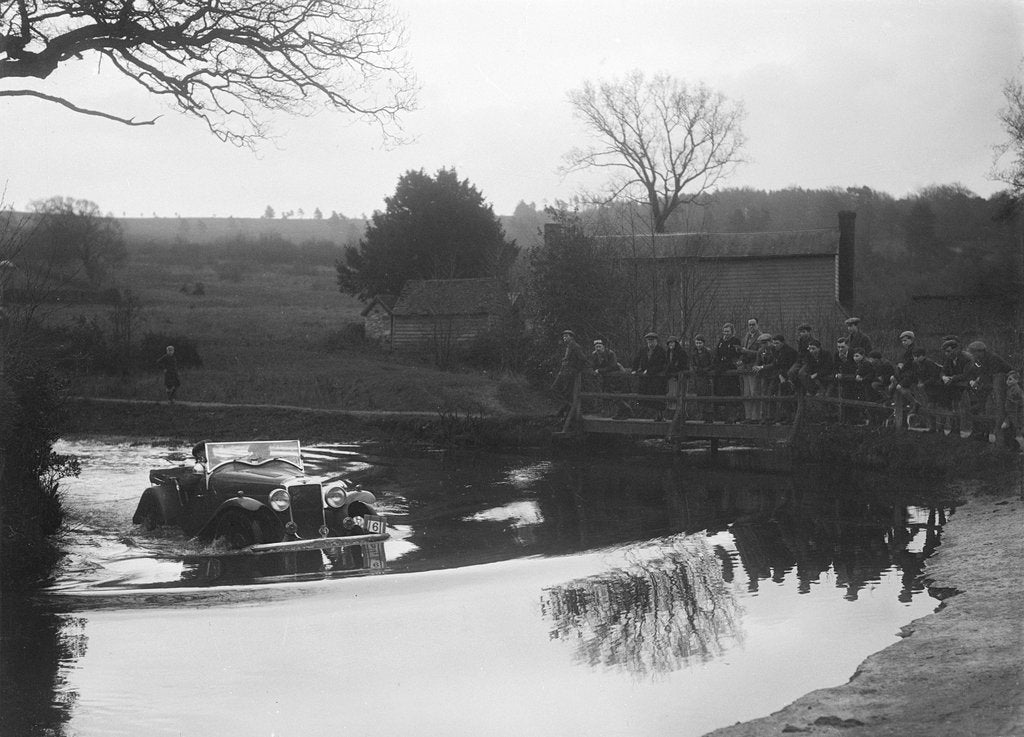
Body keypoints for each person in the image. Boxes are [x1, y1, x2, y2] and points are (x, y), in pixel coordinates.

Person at [965, 341, 1013, 442]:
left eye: (973, 353)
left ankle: (1004, 439)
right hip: (990, 386)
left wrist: (979, 381)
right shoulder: (978, 360)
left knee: (1002, 410)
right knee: (981, 407)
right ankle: (982, 434)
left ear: (980, 352)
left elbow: (991, 374)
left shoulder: (992, 358)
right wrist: (972, 380)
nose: (972, 355)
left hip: (1004, 384)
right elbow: (973, 372)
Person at [939, 338, 978, 436]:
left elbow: (966, 375)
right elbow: (943, 370)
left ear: (956, 349)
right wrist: (944, 377)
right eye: (945, 352)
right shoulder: (949, 358)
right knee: (951, 405)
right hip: (954, 385)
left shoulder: (967, 358)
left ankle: (967, 430)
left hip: (969, 386)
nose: (946, 354)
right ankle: (953, 429)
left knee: (963, 407)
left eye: (948, 351)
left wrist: (951, 378)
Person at [552, 329, 588, 421]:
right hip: (564, 372)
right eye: (563, 336)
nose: (564, 338)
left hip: (570, 373)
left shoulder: (575, 346)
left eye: (566, 336)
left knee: (566, 392)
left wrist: (576, 370)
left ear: (571, 337)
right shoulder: (568, 346)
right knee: (555, 389)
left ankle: (566, 412)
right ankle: (566, 408)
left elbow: (583, 359)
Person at [632, 332, 668, 420]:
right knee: (645, 397)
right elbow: (636, 359)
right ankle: (647, 415)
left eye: (652, 341)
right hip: (646, 378)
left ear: (656, 341)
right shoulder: (643, 350)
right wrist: (634, 369)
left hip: (657, 378)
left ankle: (660, 416)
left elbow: (662, 364)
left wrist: (650, 371)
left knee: (658, 397)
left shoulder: (661, 351)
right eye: (649, 341)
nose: (650, 343)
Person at [713, 323, 743, 422]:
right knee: (722, 393)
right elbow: (717, 353)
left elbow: (735, 355)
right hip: (721, 371)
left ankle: (733, 416)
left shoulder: (735, 341)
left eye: (728, 331)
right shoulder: (721, 342)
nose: (726, 333)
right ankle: (724, 416)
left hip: (730, 370)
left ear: (732, 331)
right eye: (724, 331)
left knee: (732, 393)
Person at [739, 318, 763, 422]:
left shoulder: (760, 337)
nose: (751, 327)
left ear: (757, 325)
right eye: (749, 325)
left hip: (754, 367)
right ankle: (748, 416)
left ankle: (756, 417)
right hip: (745, 367)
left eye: (753, 324)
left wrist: (747, 351)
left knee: (754, 392)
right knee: (746, 393)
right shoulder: (746, 337)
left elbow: (760, 353)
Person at [690, 334, 715, 422]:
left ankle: (709, 417)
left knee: (708, 396)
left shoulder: (708, 352)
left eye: (700, 343)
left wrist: (705, 370)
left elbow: (712, 363)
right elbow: (692, 364)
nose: (698, 345)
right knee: (699, 396)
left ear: (703, 343)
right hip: (698, 378)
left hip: (707, 377)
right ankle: (702, 415)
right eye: (697, 343)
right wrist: (697, 369)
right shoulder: (694, 353)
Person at [664, 336, 689, 413]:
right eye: (669, 343)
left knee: (681, 395)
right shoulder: (668, 353)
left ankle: (682, 413)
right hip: (671, 377)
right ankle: (673, 413)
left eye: (672, 342)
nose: (670, 344)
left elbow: (684, 365)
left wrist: (677, 369)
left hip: (680, 377)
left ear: (676, 343)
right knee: (672, 395)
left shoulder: (681, 352)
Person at [1001, 371, 1023, 451]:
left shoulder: (1015, 390)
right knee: (1011, 431)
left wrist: (1007, 420)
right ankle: (1015, 448)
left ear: (1016, 380)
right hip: (1013, 414)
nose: (1007, 381)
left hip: (1016, 415)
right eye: (1007, 379)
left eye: (1010, 379)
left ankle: (1015, 448)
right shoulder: (1011, 389)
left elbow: (1013, 408)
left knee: (1013, 432)